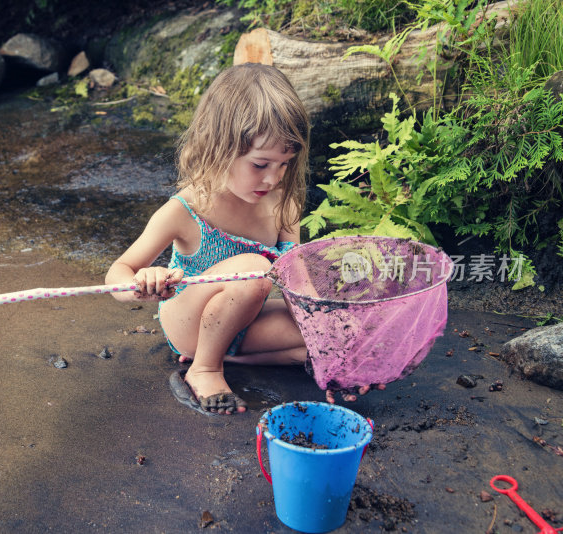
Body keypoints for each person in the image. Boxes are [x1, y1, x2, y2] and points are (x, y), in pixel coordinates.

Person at [105, 63, 382, 415]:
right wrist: (140, 283)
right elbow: (119, 272)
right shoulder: (187, 209)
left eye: (284, 164)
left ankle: (237, 356)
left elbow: (296, 278)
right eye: (260, 164)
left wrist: (333, 341)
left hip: (248, 321)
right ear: (219, 147)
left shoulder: (283, 202)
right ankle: (203, 368)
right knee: (252, 270)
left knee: (341, 336)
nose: (272, 178)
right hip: (189, 321)